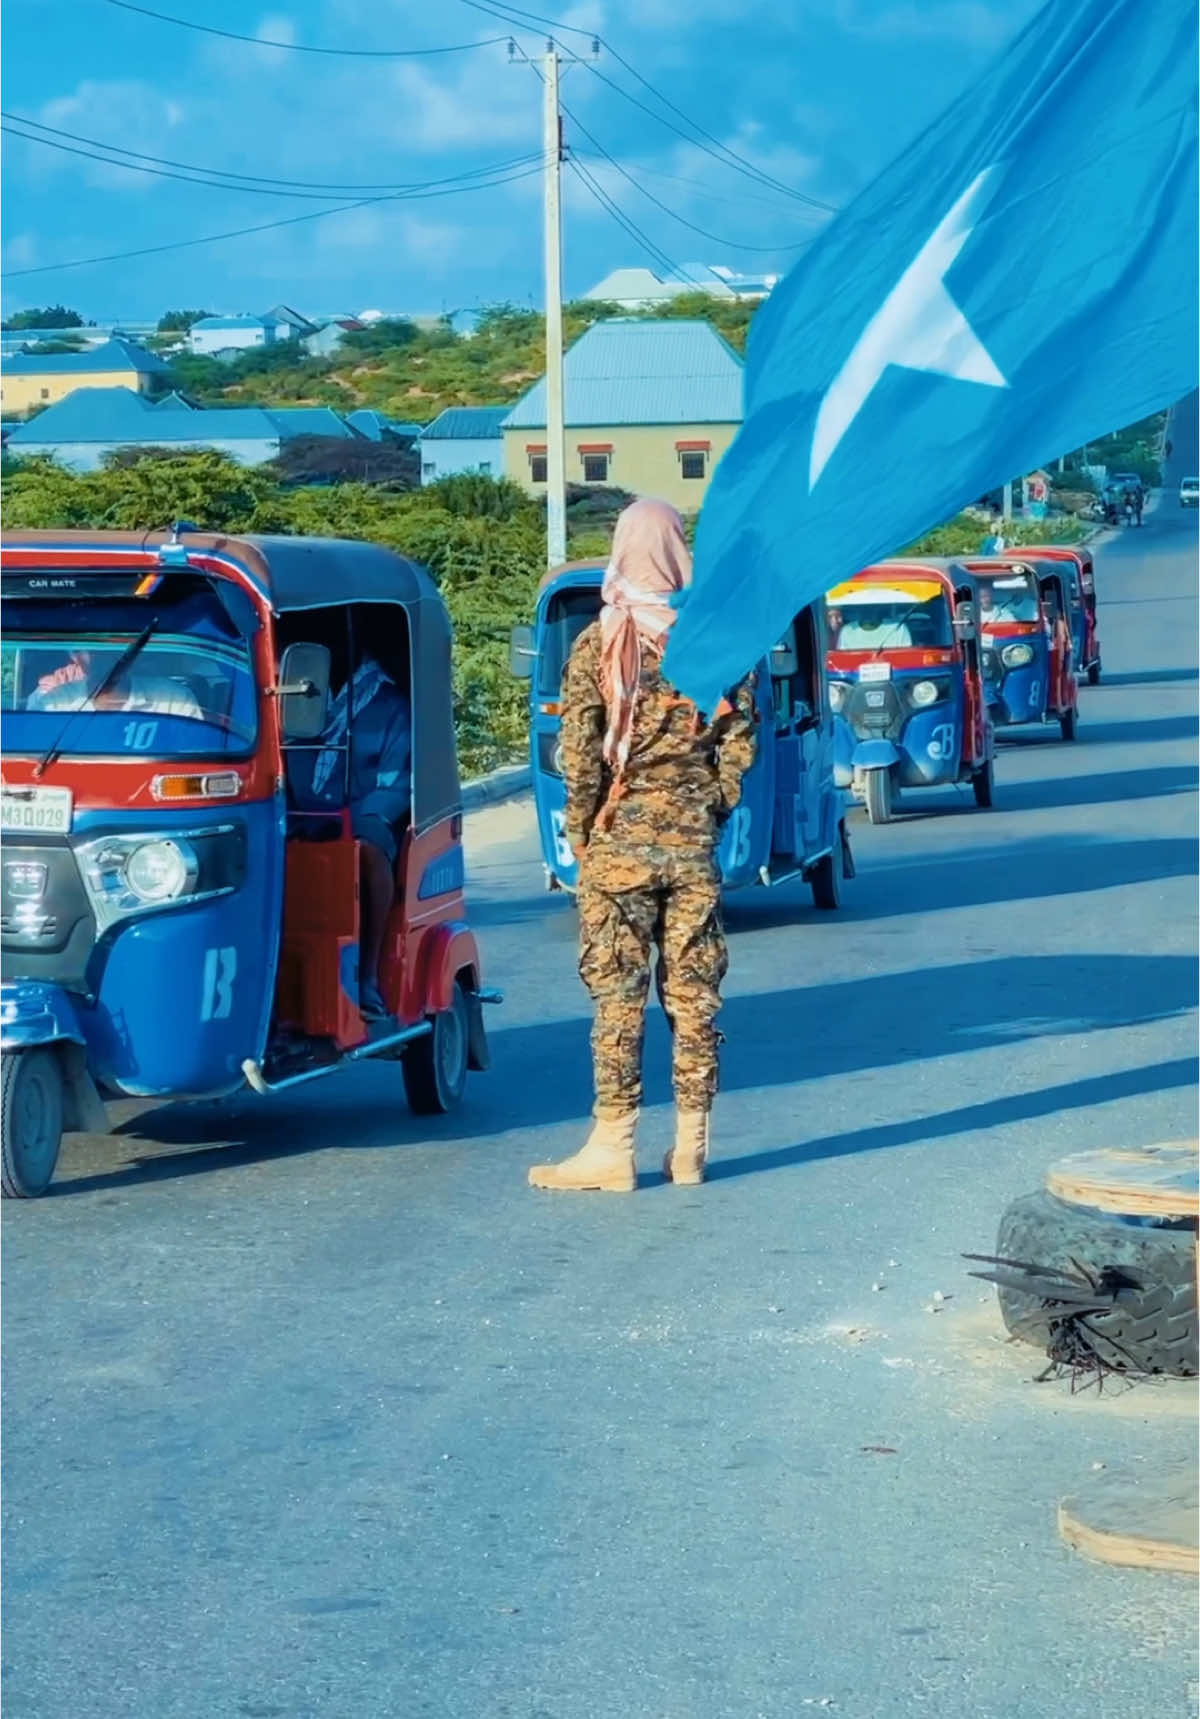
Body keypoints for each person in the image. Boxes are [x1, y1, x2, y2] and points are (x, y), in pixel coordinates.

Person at [528, 499, 757, 1194]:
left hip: (618, 848)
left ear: (622, 551)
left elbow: (579, 759)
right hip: (691, 849)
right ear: (678, 552)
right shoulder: (713, 640)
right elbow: (739, 744)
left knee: (617, 1002)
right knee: (694, 998)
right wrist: (707, 805)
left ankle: (613, 1147)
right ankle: (691, 1148)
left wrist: (584, 832)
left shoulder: (600, 643)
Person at [311, 650, 412, 1020]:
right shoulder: (297, 693)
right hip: (305, 810)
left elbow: (394, 786)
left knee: (367, 847)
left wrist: (349, 818)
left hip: (366, 815)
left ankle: (368, 974)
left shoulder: (390, 705)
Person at [836, 609, 913, 650]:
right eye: (864, 607)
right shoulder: (847, 631)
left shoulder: (899, 629)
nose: (868, 611)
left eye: (871, 607)